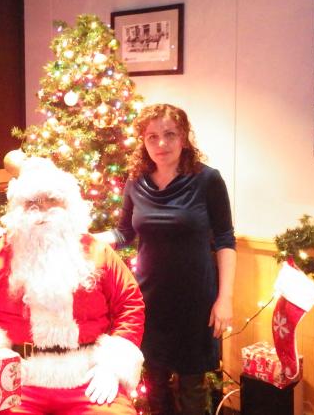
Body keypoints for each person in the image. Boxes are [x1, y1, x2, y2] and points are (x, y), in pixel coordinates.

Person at [0, 158, 146, 415]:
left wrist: (112, 365)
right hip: (16, 378)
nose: (41, 211)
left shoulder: (97, 252)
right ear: (17, 210)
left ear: (68, 205)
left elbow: (129, 305)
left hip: (87, 376)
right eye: (31, 203)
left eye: (51, 200)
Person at [95, 104, 236, 415]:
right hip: (150, 299)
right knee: (156, 388)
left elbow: (225, 239)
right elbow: (123, 234)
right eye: (152, 136)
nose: (161, 144)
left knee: (192, 390)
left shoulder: (207, 180)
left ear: (184, 138)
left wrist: (224, 298)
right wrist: (88, 239)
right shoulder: (136, 182)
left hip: (195, 301)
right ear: (143, 141)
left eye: (170, 135)